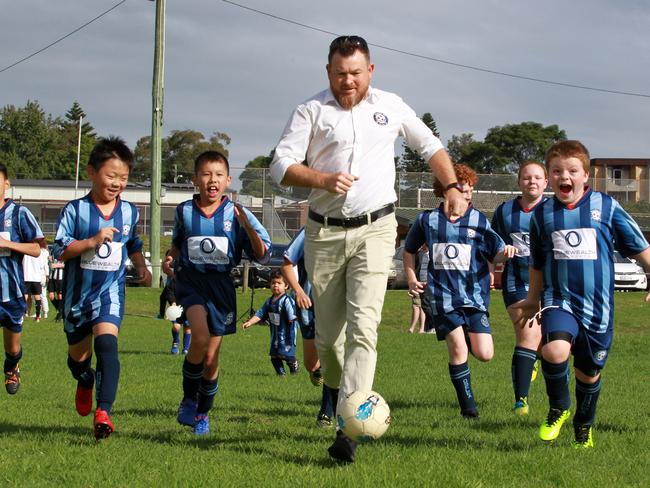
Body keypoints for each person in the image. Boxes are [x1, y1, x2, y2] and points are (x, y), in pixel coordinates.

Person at [269, 34, 466, 463]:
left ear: (370, 71)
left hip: (377, 230)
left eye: (356, 73)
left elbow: (429, 146)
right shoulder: (311, 111)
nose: (348, 82)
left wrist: (450, 185)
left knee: (364, 326)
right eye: (340, 74)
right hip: (323, 234)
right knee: (327, 342)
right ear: (328, 72)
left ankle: (349, 429)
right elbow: (280, 166)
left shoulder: (390, 106)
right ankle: (340, 392)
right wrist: (321, 179)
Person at [514, 140, 650, 448]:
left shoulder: (607, 207)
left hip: (598, 308)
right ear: (549, 177)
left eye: (573, 170)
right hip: (558, 301)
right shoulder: (542, 215)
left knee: (588, 373)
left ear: (585, 176)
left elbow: (641, 248)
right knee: (554, 351)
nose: (566, 176)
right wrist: (534, 298)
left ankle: (583, 426)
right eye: (557, 170)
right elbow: (537, 262)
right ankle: (559, 407)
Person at [165, 150, 271, 436]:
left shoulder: (238, 213)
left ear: (228, 180)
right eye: (206, 174)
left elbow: (262, 255)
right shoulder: (184, 211)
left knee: (211, 360)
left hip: (222, 287)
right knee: (198, 336)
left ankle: (202, 413)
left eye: (218, 175)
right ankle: (188, 399)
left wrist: (248, 228)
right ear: (195, 179)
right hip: (191, 283)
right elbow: (177, 244)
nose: (212, 180)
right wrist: (170, 258)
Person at [52, 137, 151, 439]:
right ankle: (85, 380)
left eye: (123, 178)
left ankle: (104, 412)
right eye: (111, 176)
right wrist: (92, 242)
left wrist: (141, 265)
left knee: (107, 345)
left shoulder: (130, 212)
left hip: (110, 294)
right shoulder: (74, 210)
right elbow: (59, 250)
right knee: (78, 360)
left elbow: (132, 242)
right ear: (92, 172)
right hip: (77, 297)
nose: (117, 183)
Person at [403, 164, 516, 419]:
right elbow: (409, 251)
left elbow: (494, 251)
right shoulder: (427, 220)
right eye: (462, 190)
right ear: (445, 191)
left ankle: (465, 334)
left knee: (485, 354)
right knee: (457, 351)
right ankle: (469, 410)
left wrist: (504, 254)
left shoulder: (479, 220)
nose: (467, 195)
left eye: (469, 190)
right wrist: (411, 279)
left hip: (474, 297)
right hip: (442, 297)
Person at [491, 161, 548, 416]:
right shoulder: (504, 212)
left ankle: (533, 359)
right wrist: (501, 254)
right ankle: (520, 401)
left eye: (537, 177)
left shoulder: (554, 211)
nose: (532, 182)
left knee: (548, 340)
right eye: (527, 177)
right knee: (528, 336)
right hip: (517, 282)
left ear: (546, 182)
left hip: (550, 284)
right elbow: (491, 250)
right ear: (519, 182)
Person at [281, 228, 334, 426]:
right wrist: (299, 291)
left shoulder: (351, 228)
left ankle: (327, 412)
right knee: (311, 365)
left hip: (337, 305)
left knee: (335, 357)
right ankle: (318, 371)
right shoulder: (310, 230)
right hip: (308, 306)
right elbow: (286, 264)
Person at [0, 163, 44, 395]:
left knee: (12, 348)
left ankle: (12, 366)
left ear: (6, 183)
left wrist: (8, 244)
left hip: (11, 293)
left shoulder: (19, 213)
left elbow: (38, 248)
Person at [242, 271, 299, 376]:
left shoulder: (287, 300)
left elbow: (293, 315)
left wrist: (292, 319)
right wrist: (250, 322)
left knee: (286, 355)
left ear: (286, 286)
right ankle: (281, 375)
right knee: (274, 356)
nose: (275, 285)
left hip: (287, 335)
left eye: (279, 283)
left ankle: (294, 366)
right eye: (273, 283)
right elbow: (260, 313)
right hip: (275, 335)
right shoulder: (269, 301)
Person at [22, 240, 45, 322]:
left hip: (26, 276)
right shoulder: (39, 252)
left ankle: (23, 314)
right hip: (36, 277)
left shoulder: (25, 251)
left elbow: (21, 263)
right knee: (37, 296)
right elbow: (42, 264)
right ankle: (38, 316)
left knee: (25, 296)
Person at [48, 256, 65, 322]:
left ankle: (60, 315)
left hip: (61, 279)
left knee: (60, 296)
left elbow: (65, 265)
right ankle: (60, 311)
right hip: (52, 278)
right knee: (51, 296)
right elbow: (51, 265)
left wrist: (57, 265)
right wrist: (50, 260)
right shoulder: (54, 255)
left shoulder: (66, 255)